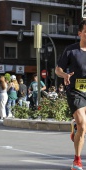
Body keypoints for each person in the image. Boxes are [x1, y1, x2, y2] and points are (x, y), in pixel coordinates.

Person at [55, 20, 86, 170]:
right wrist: (64, 75)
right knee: (83, 124)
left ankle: (75, 126)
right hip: (75, 91)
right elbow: (58, 69)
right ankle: (77, 161)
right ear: (80, 33)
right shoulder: (71, 50)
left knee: (82, 126)